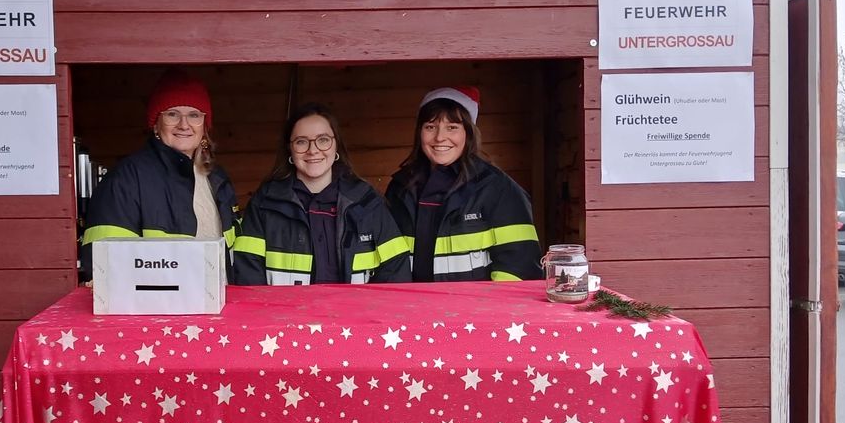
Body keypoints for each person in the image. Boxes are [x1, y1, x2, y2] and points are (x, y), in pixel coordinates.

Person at [79, 68, 237, 280]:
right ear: (155, 123)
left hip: (218, 302)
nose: (184, 124)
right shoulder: (126, 179)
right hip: (158, 306)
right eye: (172, 114)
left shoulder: (217, 178)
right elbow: (105, 264)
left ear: (204, 126)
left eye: (194, 115)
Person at [233, 103, 410, 285]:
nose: (313, 150)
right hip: (284, 313)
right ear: (290, 150)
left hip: (355, 313)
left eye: (323, 139)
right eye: (301, 141)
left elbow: (395, 269)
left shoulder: (367, 201)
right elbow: (247, 273)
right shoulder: (265, 204)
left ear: (336, 146)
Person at [385, 86, 542, 283]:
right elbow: (387, 264)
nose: (440, 137)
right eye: (430, 127)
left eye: (452, 127)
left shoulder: (499, 189)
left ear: (468, 133)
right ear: (419, 132)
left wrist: (487, 311)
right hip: (410, 309)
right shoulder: (399, 188)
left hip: (475, 311)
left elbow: (520, 267)